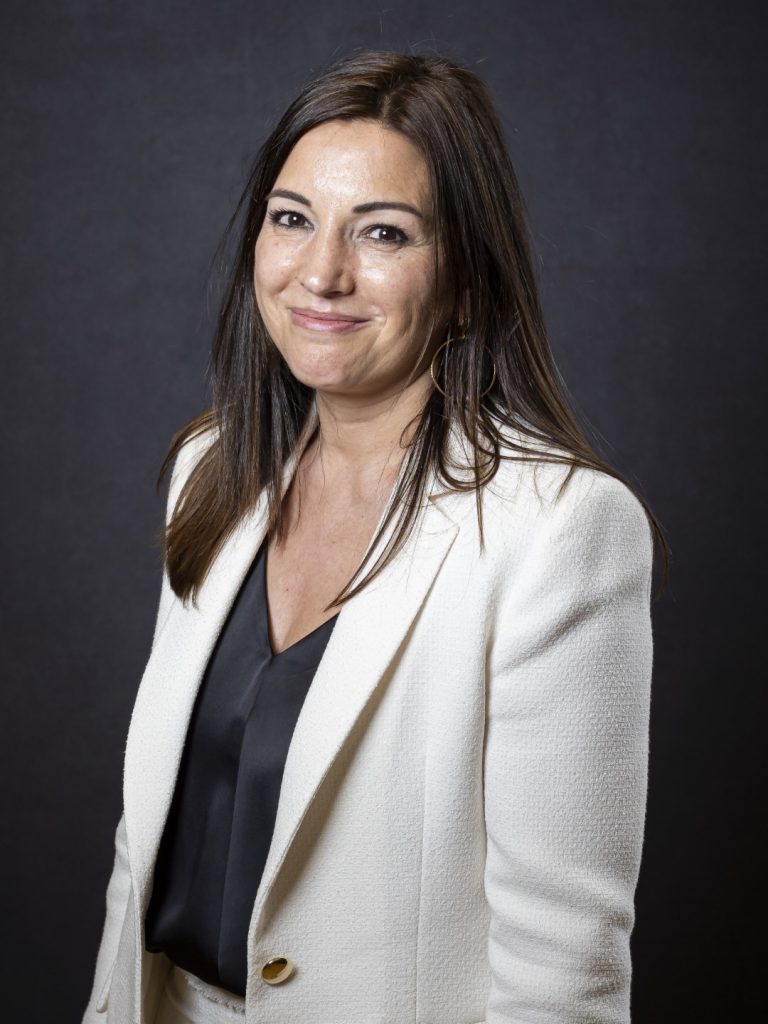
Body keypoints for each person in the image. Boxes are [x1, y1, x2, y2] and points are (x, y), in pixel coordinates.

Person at [81, 48, 667, 1024]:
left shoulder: (559, 532)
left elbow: (563, 968)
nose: (322, 273)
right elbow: (143, 840)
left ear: (468, 281)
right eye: (291, 219)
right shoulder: (214, 469)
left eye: (383, 233)